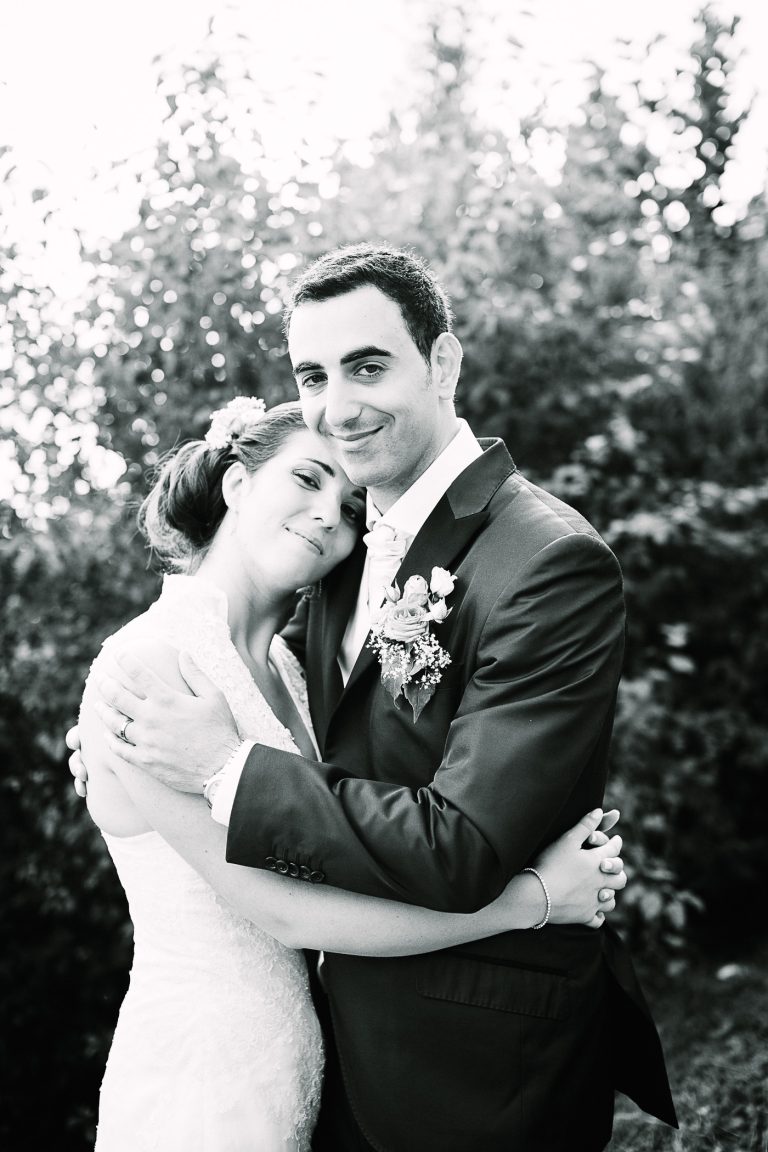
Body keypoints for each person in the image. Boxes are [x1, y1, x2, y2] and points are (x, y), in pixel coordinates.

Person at [73, 244, 676, 1150]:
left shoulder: (544, 559)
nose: (337, 405)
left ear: (442, 363)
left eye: (367, 365)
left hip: (477, 1071)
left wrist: (225, 768)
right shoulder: (329, 583)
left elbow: (466, 838)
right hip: (293, 1057)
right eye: (312, 374)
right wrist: (113, 763)